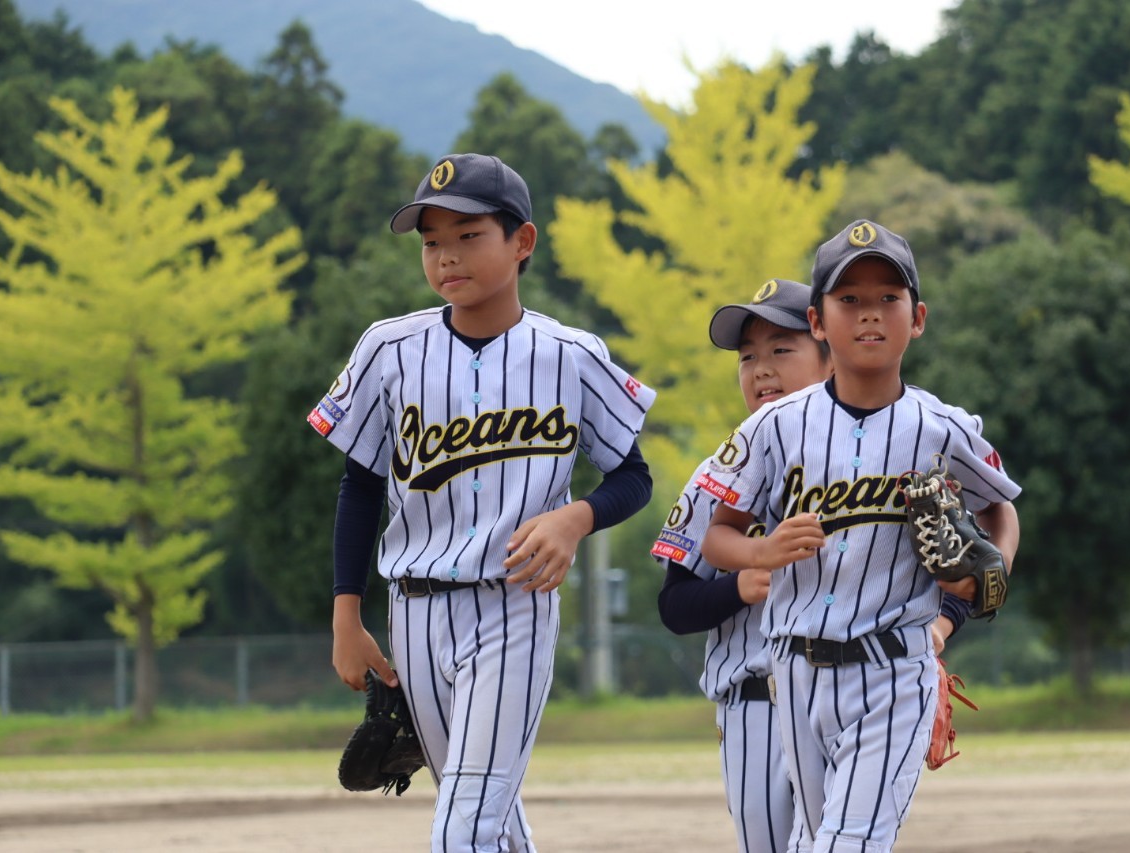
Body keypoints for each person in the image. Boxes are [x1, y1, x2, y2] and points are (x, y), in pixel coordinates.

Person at [308, 153, 656, 852]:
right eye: (432, 241)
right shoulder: (389, 349)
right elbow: (361, 485)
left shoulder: (571, 354)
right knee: (487, 818)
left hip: (513, 605)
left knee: (465, 822)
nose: (447, 256)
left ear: (522, 241)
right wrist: (347, 614)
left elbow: (633, 476)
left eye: (469, 235)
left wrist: (576, 517)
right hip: (414, 611)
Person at [701, 219, 1020, 852]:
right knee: (818, 839)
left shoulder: (943, 428)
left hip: (894, 668)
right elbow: (718, 536)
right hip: (794, 671)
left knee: (847, 842)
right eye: (849, 299)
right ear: (817, 322)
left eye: (887, 298)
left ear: (917, 318)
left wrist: (992, 574)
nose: (869, 313)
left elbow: (1000, 508)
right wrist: (762, 551)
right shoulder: (775, 426)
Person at [653, 278, 971, 852]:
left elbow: (955, 556)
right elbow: (674, 606)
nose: (761, 370)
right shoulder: (718, 473)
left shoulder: (894, 451)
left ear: (830, 353)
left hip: (867, 681)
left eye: (781, 349)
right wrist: (742, 585)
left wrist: (942, 625)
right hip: (755, 701)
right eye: (747, 357)